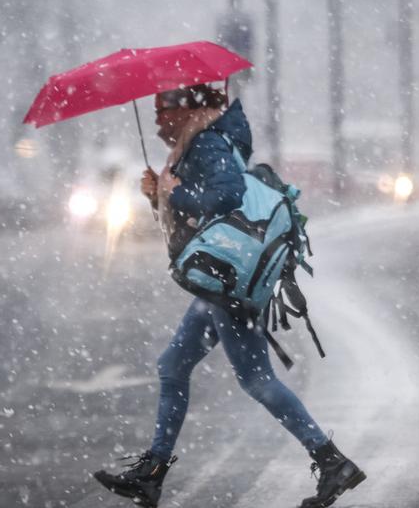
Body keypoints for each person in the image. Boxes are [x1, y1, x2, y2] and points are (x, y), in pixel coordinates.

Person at [92, 84, 365, 508]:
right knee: (173, 365)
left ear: (186, 110)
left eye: (163, 109)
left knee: (257, 380)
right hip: (225, 277)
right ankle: (152, 474)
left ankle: (332, 462)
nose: (158, 119)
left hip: (230, 279)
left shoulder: (206, 141)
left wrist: (173, 192)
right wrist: (159, 194)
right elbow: (202, 211)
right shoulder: (199, 141)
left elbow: (226, 196)